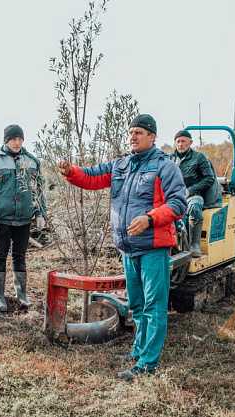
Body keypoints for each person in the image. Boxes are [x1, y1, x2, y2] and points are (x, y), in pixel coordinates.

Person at [57, 114, 187, 380]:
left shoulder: (165, 167)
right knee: (137, 306)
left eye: (139, 132)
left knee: (154, 307)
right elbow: (92, 177)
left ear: (152, 137)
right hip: (128, 249)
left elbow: (178, 204)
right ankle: (139, 351)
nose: (133, 136)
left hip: (153, 248)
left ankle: (148, 364)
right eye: (131, 132)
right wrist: (72, 172)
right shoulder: (121, 165)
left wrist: (150, 219)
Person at [0, 124, 46, 312]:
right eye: (13, 139)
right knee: (0, 255)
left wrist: (40, 213)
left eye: (20, 139)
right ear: (6, 141)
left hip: (23, 219)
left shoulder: (32, 161)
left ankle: (21, 294)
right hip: (2, 219)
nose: (17, 142)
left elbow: (38, 190)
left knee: (20, 255)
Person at [170, 130, 222, 257]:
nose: (180, 144)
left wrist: (190, 190)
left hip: (193, 194)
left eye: (183, 141)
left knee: (195, 206)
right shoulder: (170, 159)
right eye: (178, 141)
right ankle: (172, 245)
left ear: (190, 142)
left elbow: (209, 179)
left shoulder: (199, 158)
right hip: (175, 195)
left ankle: (194, 245)